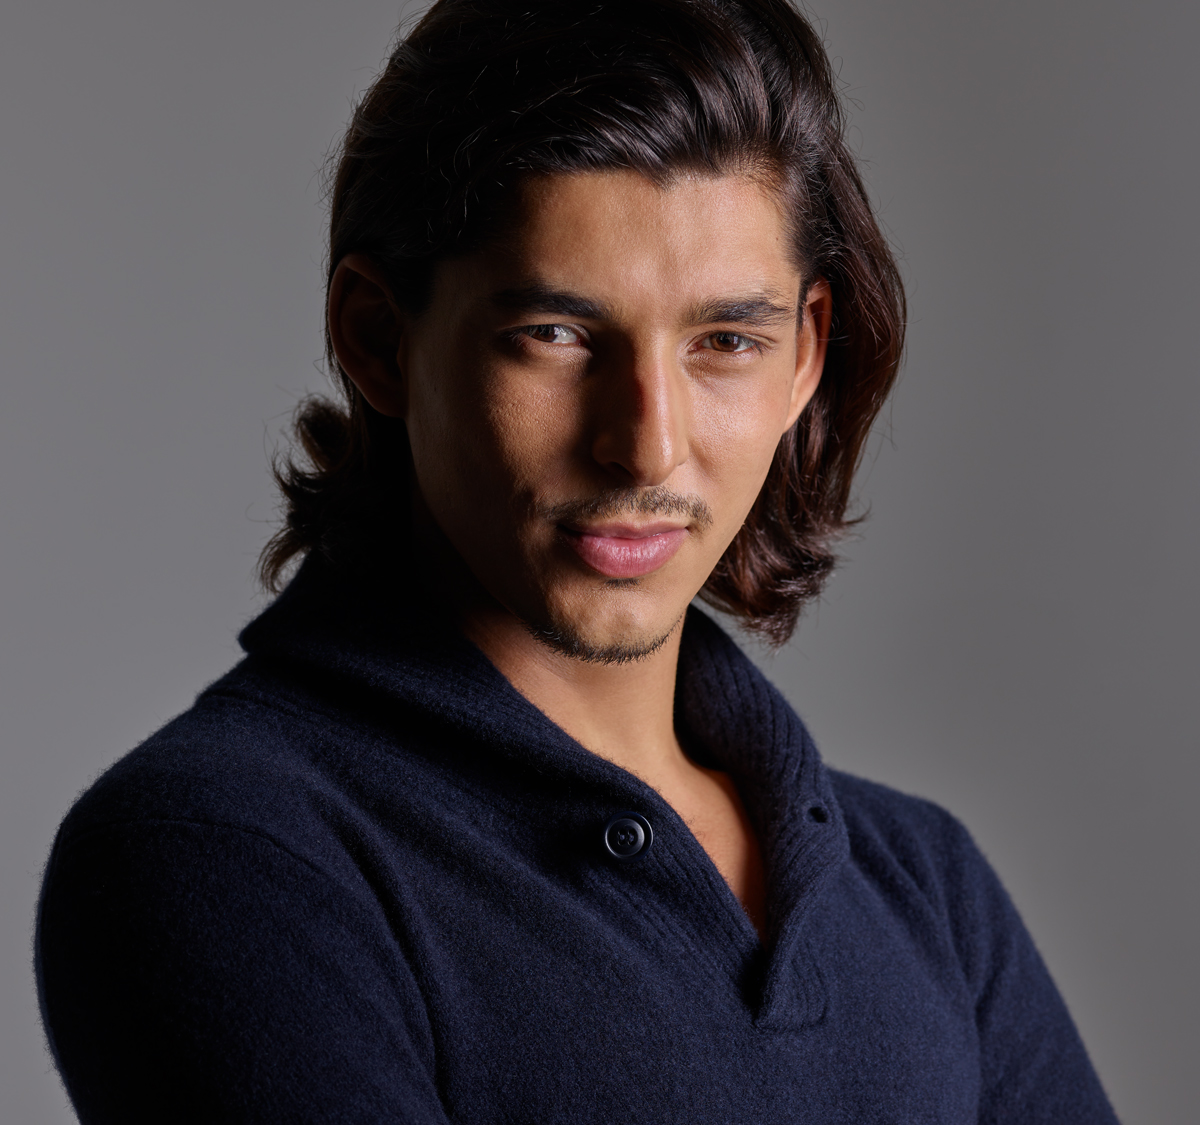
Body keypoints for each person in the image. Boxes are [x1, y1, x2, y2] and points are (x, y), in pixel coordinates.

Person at [35, 1, 1119, 1121]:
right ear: (377, 337)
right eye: (555, 335)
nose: (644, 443)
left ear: (806, 356)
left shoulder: (927, 888)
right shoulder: (227, 855)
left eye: (726, 343)